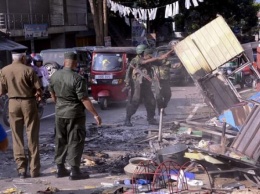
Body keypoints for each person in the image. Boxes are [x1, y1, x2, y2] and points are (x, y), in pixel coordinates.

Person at [48, 51, 102, 180]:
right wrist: (95, 114)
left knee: (60, 140)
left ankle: (60, 169)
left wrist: (60, 105)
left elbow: (53, 95)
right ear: (75, 63)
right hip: (75, 114)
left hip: (60, 114)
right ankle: (75, 171)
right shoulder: (77, 78)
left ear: (65, 61)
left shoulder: (54, 76)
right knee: (75, 141)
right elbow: (84, 99)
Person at [0, 53, 42, 179]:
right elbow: (39, 89)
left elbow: (1, 91)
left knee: (17, 137)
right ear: (23, 58)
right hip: (28, 102)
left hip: (12, 104)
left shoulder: (4, 70)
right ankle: (34, 170)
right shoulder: (29, 70)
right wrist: (38, 95)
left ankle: (21, 170)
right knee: (32, 135)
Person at [124, 44, 172, 127]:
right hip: (137, 85)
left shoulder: (149, 60)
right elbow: (142, 62)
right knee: (134, 102)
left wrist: (169, 53)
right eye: (147, 54)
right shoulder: (135, 60)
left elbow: (160, 61)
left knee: (151, 102)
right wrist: (127, 83)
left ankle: (151, 119)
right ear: (142, 53)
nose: (149, 55)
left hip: (146, 85)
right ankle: (127, 119)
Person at [153, 51, 173, 116]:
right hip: (158, 81)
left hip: (166, 81)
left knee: (168, 95)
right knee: (159, 97)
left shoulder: (168, 62)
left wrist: (181, 63)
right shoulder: (156, 62)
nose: (166, 57)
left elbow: (174, 66)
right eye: (164, 56)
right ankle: (160, 111)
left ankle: (163, 106)